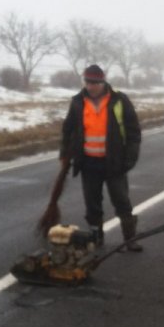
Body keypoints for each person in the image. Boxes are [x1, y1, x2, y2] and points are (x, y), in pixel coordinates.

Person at [60, 64, 143, 251]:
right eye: (88, 82)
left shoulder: (119, 100)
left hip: (115, 163)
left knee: (122, 202)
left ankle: (130, 239)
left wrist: (129, 160)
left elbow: (133, 133)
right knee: (92, 205)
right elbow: (68, 130)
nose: (90, 86)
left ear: (103, 81)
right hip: (89, 163)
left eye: (95, 82)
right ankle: (97, 238)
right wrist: (65, 154)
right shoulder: (77, 102)